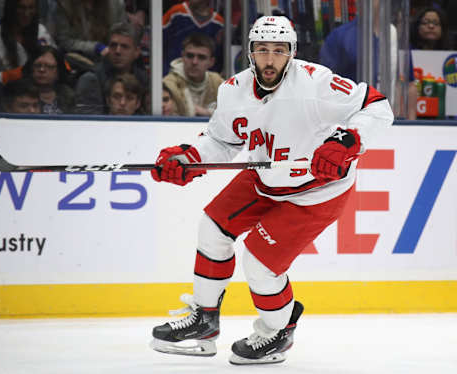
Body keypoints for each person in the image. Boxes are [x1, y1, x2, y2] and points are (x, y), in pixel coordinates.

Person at [149, 16, 394, 365]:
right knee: (212, 227)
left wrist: (346, 140)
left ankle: (276, 331)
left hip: (317, 190)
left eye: (279, 51)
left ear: (291, 53)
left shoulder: (315, 81)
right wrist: (190, 159)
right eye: (262, 49)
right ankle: (204, 320)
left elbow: (377, 106)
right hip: (266, 177)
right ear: (250, 52)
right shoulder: (233, 90)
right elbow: (221, 140)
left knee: (260, 264)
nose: (269, 59)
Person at [319, 0, 417, 119]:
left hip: (390, 120)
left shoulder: (394, 35)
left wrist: (411, 124)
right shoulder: (340, 36)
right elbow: (324, 83)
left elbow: (409, 84)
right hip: (351, 119)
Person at [74, 22, 147, 114]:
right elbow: (88, 124)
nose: (117, 51)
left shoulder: (142, 78)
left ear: (136, 52)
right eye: (113, 45)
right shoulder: (91, 79)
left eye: (124, 47)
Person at [0, 0, 55, 75]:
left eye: (31, 7)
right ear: (11, 8)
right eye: (21, 8)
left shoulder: (41, 30)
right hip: (7, 85)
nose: (27, 13)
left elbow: (55, 60)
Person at [163, 32, 223, 117]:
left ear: (211, 62)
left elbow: (232, 111)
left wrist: (207, 113)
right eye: (190, 56)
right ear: (182, 56)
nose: (194, 62)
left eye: (201, 57)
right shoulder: (169, 83)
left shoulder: (217, 81)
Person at [50, 0, 127, 62]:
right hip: (77, 60)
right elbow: (65, 42)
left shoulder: (116, 4)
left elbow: (123, 35)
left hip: (111, 58)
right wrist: (95, 47)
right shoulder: (65, 5)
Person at [163, 0, 224, 75]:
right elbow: (157, 41)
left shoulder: (218, 22)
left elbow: (218, 58)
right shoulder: (176, 12)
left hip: (203, 81)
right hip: (172, 74)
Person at [22, 45, 75, 114]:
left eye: (49, 66)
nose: (42, 70)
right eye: (37, 65)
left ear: (59, 71)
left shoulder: (68, 95)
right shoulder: (21, 94)